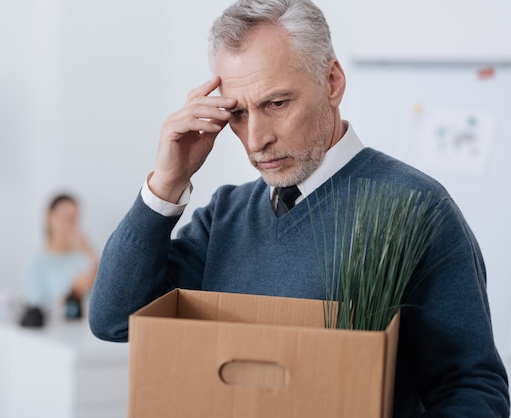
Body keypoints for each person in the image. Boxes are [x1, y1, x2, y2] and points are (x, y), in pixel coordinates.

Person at [89, 0, 510, 415]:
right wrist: (167, 184)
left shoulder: (416, 209)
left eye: (276, 104)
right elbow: (114, 321)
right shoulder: (225, 215)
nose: (255, 140)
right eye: (237, 113)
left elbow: (474, 389)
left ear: (331, 81)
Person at [22, 193, 98, 321]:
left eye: (74, 219)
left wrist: (89, 251)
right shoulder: (36, 262)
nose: (70, 225)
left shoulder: (82, 257)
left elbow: (103, 289)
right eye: (65, 218)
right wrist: (73, 293)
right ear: (49, 218)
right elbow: (36, 309)